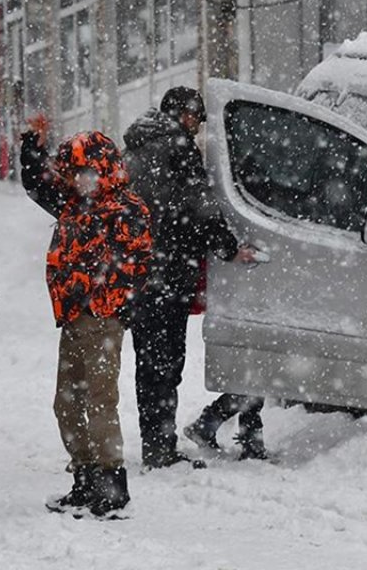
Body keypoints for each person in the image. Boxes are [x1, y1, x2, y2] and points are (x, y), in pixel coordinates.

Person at [122, 86, 260, 469]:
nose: (198, 127)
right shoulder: (178, 147)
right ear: (184, 114)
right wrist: (229, 247)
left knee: (148, 363)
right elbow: (197, 207)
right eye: (197, 118)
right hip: (170, 272)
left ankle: (156, 443)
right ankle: (161, 448)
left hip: (140, 273)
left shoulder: (134, 148)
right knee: (166, 364)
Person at [21, 123, 152, 519]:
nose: (81, 181)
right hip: (75, 319)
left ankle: (111, 485)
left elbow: (137, 263)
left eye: (88, 172)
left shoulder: (126, 208)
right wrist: (31, 146)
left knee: (99, 400)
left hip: (103, 320)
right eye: (75, 174)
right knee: (67, 402)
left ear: (105, 169)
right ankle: (84, 477)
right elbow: (36, 184)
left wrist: (107, 299)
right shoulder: (72, 205)